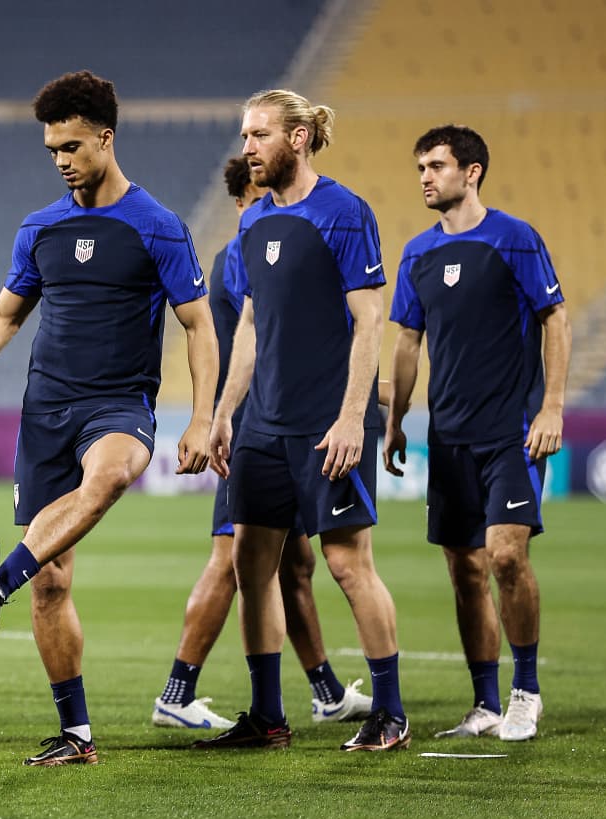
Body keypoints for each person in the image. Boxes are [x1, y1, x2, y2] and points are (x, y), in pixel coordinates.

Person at [0, 70, 219, 766]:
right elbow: (3, 318)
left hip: (119, 405)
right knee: (53, 579)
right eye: (52, 150)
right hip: (45, 410)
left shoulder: (158, 227)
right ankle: (76, 736)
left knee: (108, 479)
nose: (63, 160)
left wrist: (201, 419)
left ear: (106, 138)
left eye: (73, 145)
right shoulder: (40, 229)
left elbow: (198, 326)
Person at [197, 89, 410, 752]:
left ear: (298, 138)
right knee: (250, 566)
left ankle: (391, 713)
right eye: (244, 135)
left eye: (259, 134)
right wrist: (224, 414)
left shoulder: (344, 213)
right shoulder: (252, 221)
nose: (247, 148)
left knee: (347, 563)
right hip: (263, 424)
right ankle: (267, 718)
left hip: (328, 421)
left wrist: (353, 417)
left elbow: (371, 318)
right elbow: (253, 327)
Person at [153, 157, 372, 732]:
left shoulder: (274, 242)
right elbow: (250, 342)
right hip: (254, 427)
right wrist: (222, 418)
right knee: (234, 558)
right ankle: (178, 689)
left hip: (280, 422)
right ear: (242, 201)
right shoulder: (239, 257)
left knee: (295, 566)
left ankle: (324, 690)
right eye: (258, 196)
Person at [384, 125, 570, 742]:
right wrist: (396, 419)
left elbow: (556, 319)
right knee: (465, 571)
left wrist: (553, 408)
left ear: (473, 172)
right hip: (449, 437)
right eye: (420, 168)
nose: (425, 177)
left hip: (510, 432)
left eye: (436, 165)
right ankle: (485, 703)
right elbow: (408, 342)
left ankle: (527, 693)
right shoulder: (416, 253)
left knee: (507, 556)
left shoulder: (515, 240)